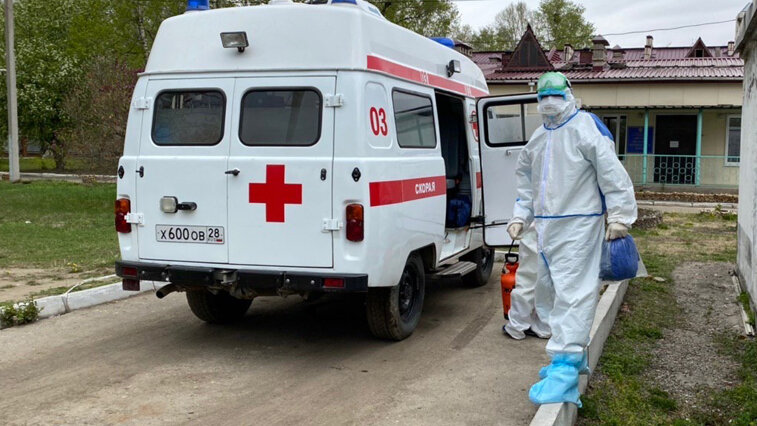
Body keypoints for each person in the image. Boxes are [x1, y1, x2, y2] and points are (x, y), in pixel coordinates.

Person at [506, 72, 637, 407]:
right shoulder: (538, 138)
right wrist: (520, 216)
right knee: (550, 292)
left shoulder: (585, 127)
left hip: (580, 225)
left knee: (574, 294)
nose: (549, 101)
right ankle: (566, 360)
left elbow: (612, 172)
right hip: (546, 228)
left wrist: (620, 215)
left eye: (555, 94)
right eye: (543, 95)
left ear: (569, 94)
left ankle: (565, 370)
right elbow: (526, 183)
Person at [503, 223, 552, 340]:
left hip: (536, 228)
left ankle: (517, 326)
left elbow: (525, 210)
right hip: (562, 230)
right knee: (549, 282)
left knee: (528, 279)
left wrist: (518, 220)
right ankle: (545, 326)